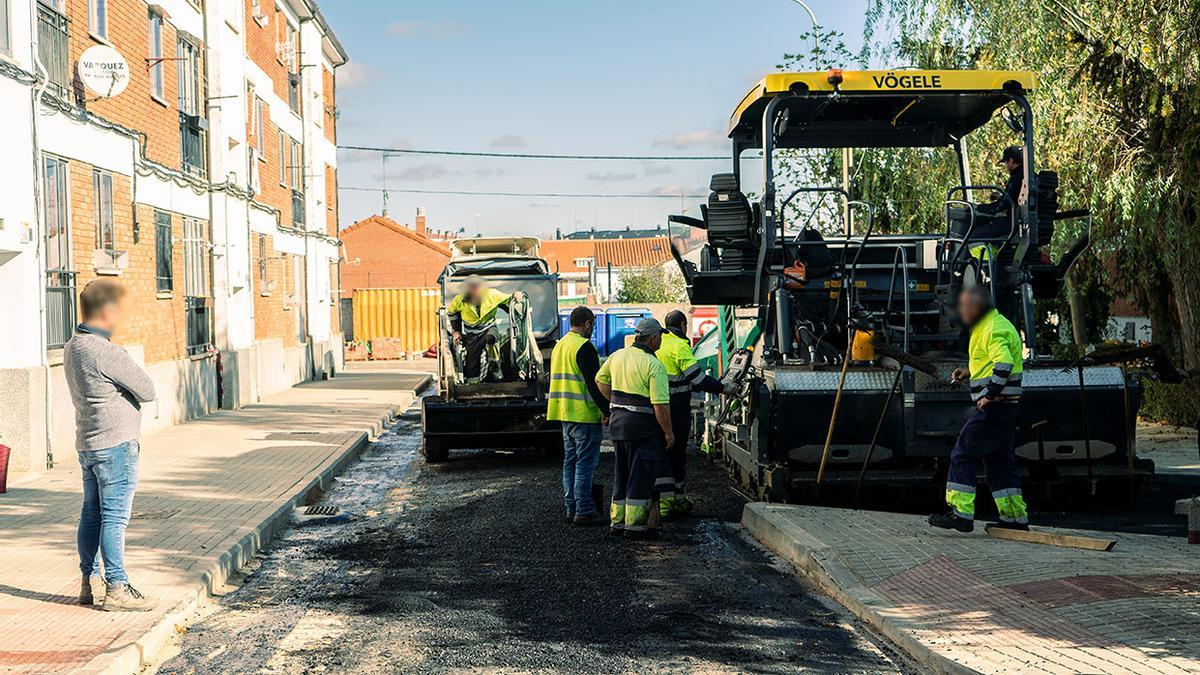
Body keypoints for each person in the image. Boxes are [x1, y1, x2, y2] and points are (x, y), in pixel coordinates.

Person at [63, 280, 157, 611]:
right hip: (116, 444)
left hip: (88, 443)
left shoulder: (73, 345)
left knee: (91, 515)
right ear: (106, 311)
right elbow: (147, 390)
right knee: (114, 517)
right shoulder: (106, 351)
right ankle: (117, 588)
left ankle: (89, 582)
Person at [930, 286, 1029, 533]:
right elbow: (990, 362)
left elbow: (1004, 363)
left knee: (962, 453)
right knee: (1000, 461)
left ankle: (960, 515)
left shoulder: (992, 328)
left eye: (964, 307)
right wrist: (968, 371)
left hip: (995, 406)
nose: (961, 313)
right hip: (1005, 408)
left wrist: (989, 396)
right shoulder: (994, 324)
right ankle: (1014, 518)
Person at [595, 318, 675, 539]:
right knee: (640, 476)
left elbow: (600, 380)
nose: (660, 341)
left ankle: (617, 523)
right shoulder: (654, 365)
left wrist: (615, 403)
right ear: (653, 338)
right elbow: (660, 404)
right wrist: (668, 432)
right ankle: (635, 527)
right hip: (643, 428)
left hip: (619, 425)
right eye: (660, 337)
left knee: (622, 473)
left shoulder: (617, 355)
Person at [655, 310, 726, 519]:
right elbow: (698, 379)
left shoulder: (659, 343)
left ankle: (665, 501)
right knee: (676, 455)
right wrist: (723, 388)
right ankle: (673, 502)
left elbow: (676, 379)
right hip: (676, 410)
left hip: (657, 407)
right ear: (684, 325)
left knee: (662, 453)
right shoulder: (679, 346)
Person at [547, 306, 610, 526]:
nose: (592, 329)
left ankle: (571, 508)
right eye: (591, 325)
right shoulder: (584, 347)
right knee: (585, 464)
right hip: (585, 414)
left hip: (565, 412)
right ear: (587, 324)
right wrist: (607, 410)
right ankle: (584, 510)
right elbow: (595, 385)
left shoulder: (560, 346)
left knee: (570, 463)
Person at [447, 276, 523, 383]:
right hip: (472, 334)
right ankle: (473, 385)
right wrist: (456, 331)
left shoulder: (492, 294)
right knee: (471, 366)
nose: (474, 291)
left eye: (476, 288)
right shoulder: (460, 300)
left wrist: (517, 294)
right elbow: (452, 313)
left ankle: (496, 369)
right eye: (471, 288)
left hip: (489, 328)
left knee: (491, 339)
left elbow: (510, 298)